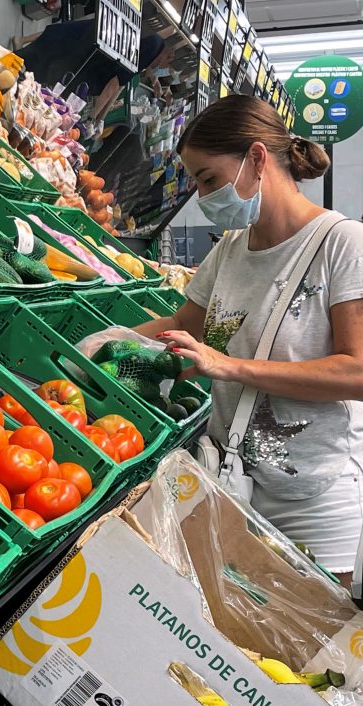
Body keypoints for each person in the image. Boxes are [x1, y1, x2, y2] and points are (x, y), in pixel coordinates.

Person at [132, 95, 363, 595]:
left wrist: (231, 367)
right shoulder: (232, 250)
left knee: (309, 658)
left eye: (209, 179)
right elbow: (183, 323)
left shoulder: (343, 245)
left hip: (312, 499)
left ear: (257, 158)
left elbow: (357, 371)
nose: (202, 195)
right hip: (230, 482)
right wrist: (105, 343)